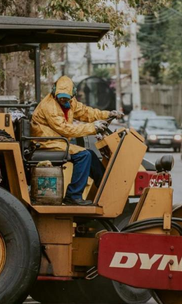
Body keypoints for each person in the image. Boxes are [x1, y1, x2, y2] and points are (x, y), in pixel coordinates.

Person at [31, 75, 123, 206]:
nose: (63, 100)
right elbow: (66, 130)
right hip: (48, 142)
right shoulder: (49, 107)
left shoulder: (70, 103)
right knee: (83, 155)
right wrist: (93, 127)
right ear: (54, 92)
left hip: (58, 140)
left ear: (72, 94)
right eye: (61, 97)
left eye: (66, 97)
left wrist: (108, 114)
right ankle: (73, 196)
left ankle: (104, 186)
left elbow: (86, 113)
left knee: (89, 153)